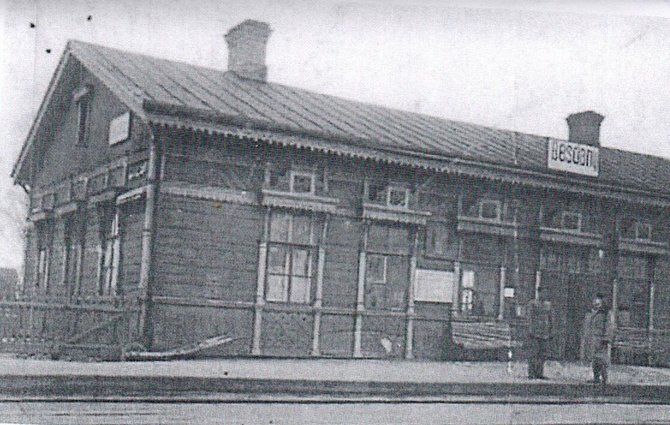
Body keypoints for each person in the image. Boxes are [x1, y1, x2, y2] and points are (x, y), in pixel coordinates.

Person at [581, 293, 615, 386]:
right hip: (591, 339)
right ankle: (596, 377)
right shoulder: (589, 312)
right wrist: (585, 337)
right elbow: (586, 326)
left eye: (598, 301)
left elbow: (609, 326)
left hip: (601, 339)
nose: (596, 303)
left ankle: (604, 379)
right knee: (594, 360)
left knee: (602, 360)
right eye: (595, 301)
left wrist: (607, 338)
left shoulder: (606, 313)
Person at [527, 286, 554, 379]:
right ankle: (531, 373)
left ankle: (539, 373)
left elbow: (550, 318)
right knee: (533, 353)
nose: (544, 295)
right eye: (543, 292)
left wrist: (551, 330)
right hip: (535, 332)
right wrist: (530, 329)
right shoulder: (533, 303)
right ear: (539, 293)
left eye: (546, 293)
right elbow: (530, 317)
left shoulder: (548, 305)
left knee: (543, 354)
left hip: (545, 332)